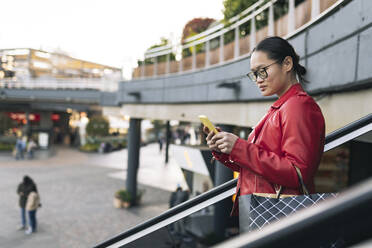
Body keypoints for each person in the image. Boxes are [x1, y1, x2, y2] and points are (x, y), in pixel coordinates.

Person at [204, 36, 325, 217]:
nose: (258, 80)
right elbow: (260, 170)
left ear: (287, 64)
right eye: (254, 74)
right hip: (266, 212)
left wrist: (239, 147)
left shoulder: (298, 106)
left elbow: (297, 172)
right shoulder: (282, 108)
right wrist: (226, 148)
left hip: (279, 214)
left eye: (262, 71)